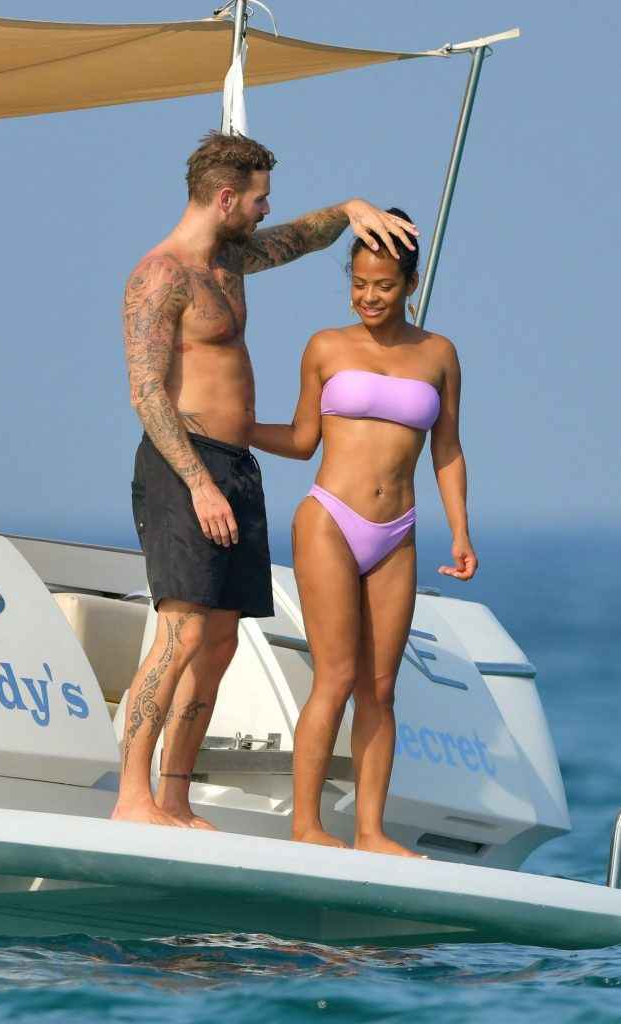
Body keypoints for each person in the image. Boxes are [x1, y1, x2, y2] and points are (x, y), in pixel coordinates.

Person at [112, 133, 419, 828]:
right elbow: (146, 393)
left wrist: (350, 209)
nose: (265, 209)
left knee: (220, 643)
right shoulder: (160, 275)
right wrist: (198, 483)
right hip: (183, 466)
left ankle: (175, 798)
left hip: (236, 468)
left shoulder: (229, 259)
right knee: (182, 634)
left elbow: (297, 240)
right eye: (258, 199)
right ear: (226, 198)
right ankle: (133, 797)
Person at [250, 209, 478, 855]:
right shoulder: (325, 346)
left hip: (397, 531)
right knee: (336, 676)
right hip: (330, 519)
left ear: (410, 284)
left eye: (383, 285)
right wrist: (235, 428)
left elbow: (447, 449)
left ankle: (371, 832)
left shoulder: (439, 354)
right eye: (358, 284)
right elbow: (302, 439)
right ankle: (306, 825)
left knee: (380, 688)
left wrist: (460, 532)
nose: (368, 297)